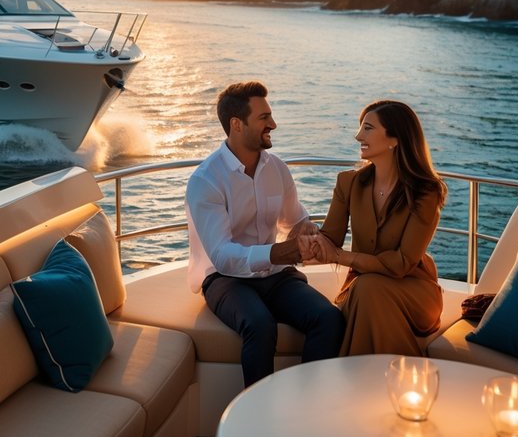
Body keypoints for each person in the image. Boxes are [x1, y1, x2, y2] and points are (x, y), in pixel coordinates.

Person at [185, 81, 345, 387]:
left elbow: (294, 220)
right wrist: (282, 252)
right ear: (236, 124)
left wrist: (307, 230)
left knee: (329, 318)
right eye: (264, 118)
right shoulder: (206, 181)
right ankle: (257, 423)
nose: (273, 124)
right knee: (260, 326)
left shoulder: (278, 170)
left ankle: (309, 408)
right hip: (223, 278)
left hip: (274, 275)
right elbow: (223, 256)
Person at [307, 100, 447, 356]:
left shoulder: (425, 193)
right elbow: (330, 238)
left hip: (414, 292)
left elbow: (402, 263)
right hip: (363, 289)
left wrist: (341, 257)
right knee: (367, 288)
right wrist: (308, 240)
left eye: (368, 128)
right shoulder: (348, 182)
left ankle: (356, 382)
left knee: (367, 288)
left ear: (395, 138)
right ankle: (394, 378)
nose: (358, 135)